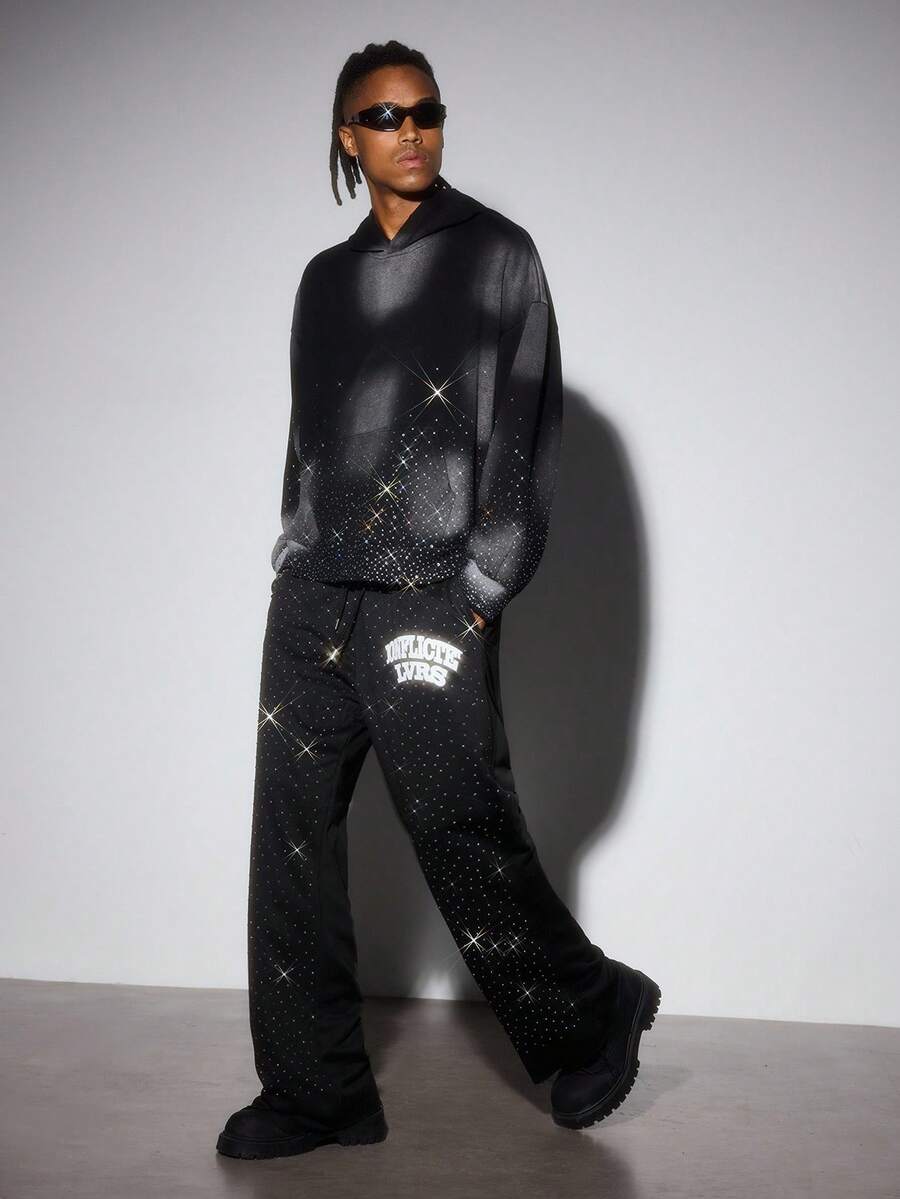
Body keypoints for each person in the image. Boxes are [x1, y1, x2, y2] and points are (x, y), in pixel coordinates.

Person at [216, 40, 660, 1161]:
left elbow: (527, 422)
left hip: (429, 591)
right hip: (314, 593)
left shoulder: (498, 257)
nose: (409, 130)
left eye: (426, 110)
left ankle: (592, 1006)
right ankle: (315, 1089)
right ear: (347, 137)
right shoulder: (323, 280)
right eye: (383, 116)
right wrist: (293, 544)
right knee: (289, 841)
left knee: (459, 825)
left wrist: (481, 586)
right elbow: (311, 431)